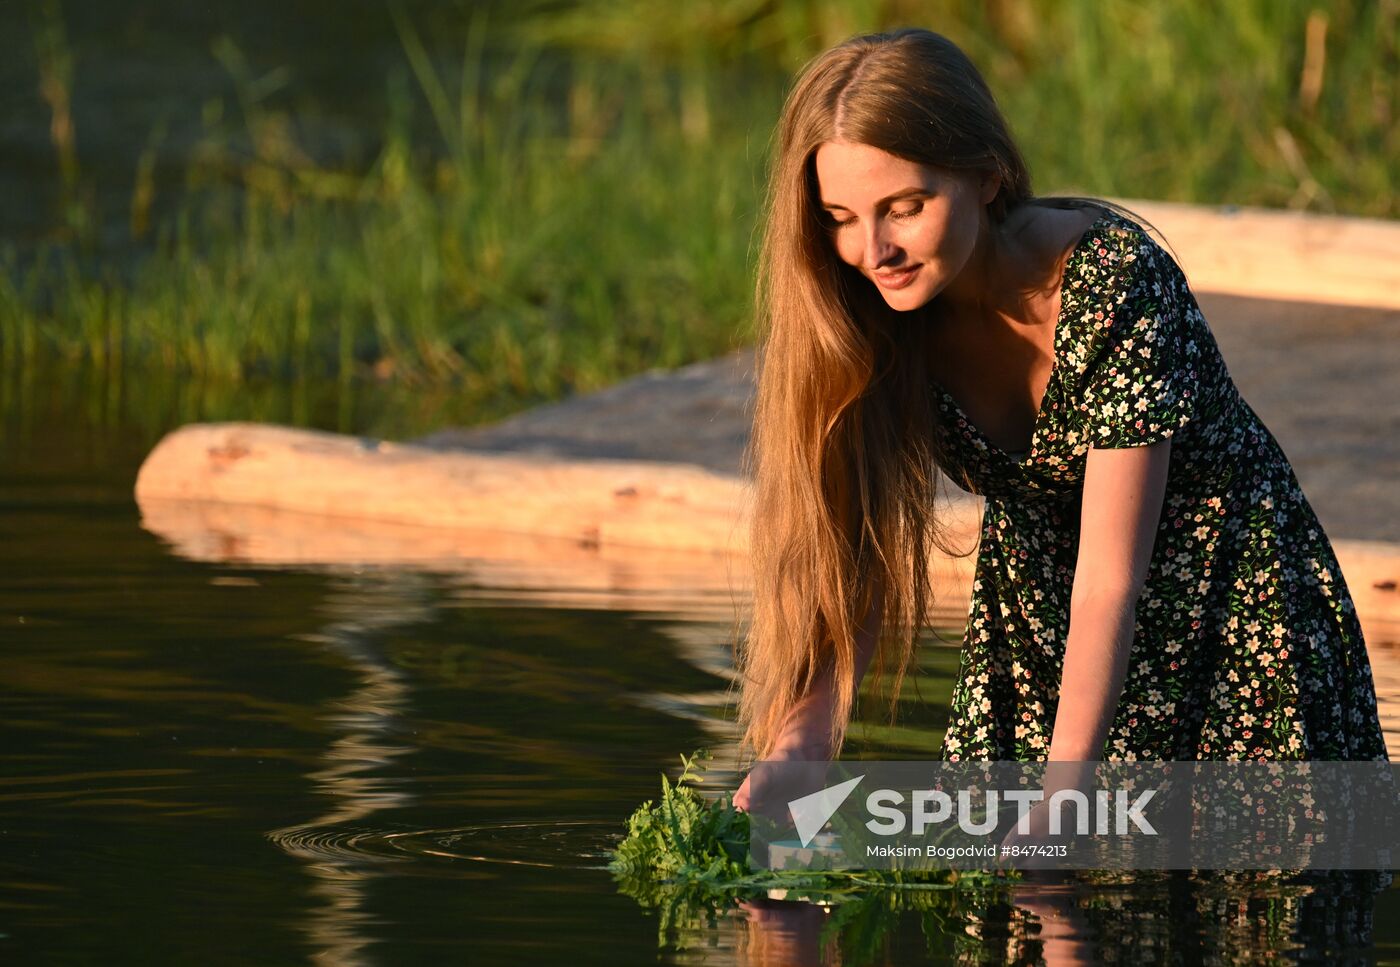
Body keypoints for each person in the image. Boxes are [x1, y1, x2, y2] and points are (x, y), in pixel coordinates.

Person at [731, 27, 1387, 816]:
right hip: (1040, 646)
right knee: (1013, 920)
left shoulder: (1114, 282)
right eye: (840, 216)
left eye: (905, 207)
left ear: (987, 173)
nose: (874, 250)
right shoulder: (871, 318)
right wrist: (801, 749)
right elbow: (853, 554)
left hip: (1234, 632)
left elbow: (1112, 575)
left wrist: (1064, 794)